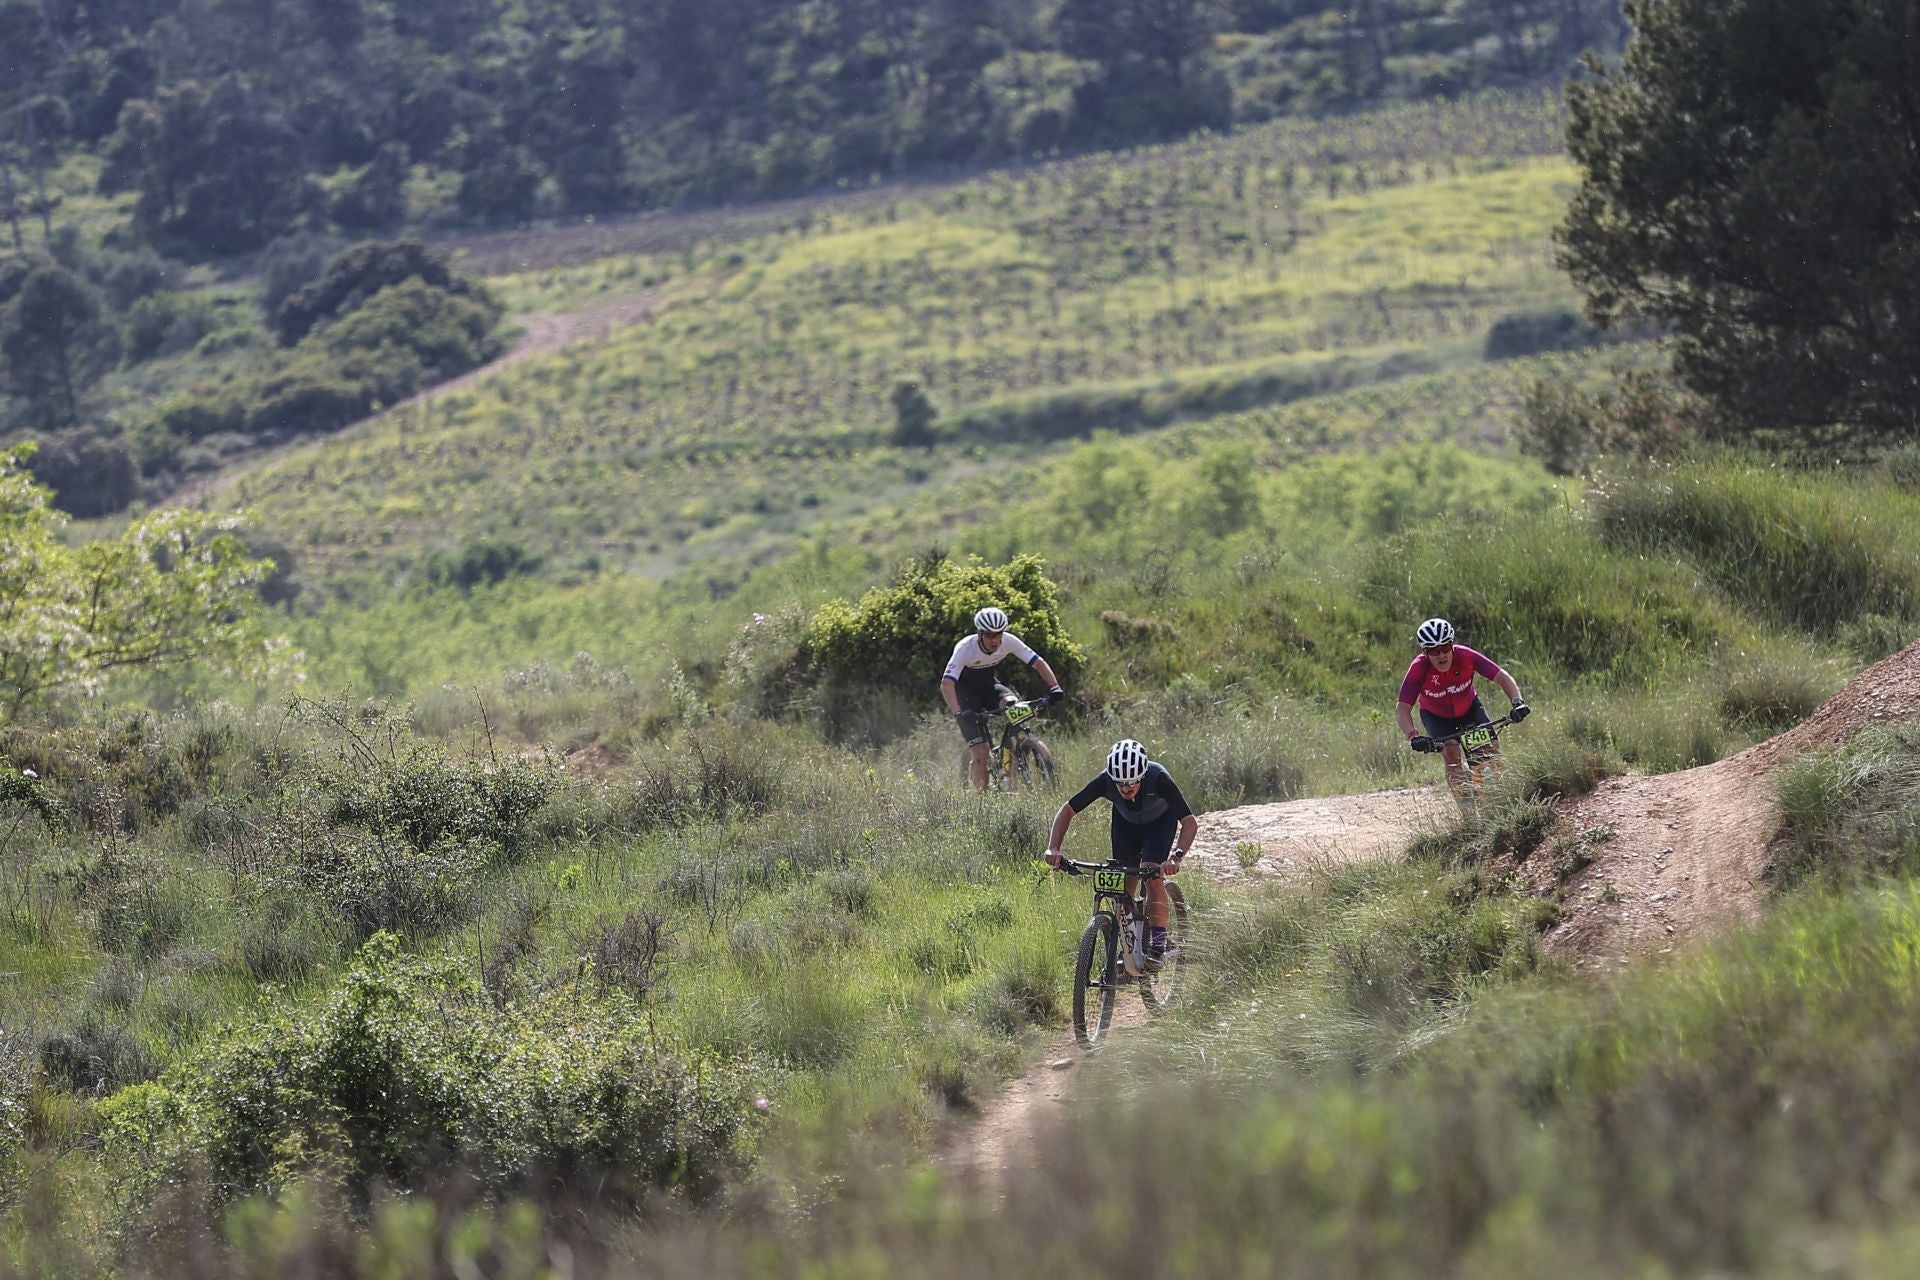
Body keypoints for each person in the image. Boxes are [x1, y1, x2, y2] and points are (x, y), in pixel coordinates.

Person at [1043, 738, 1197, 962]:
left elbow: (1189, 822)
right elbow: (1067, 811)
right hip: (1126, 825)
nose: (1126, 788)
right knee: (1123, 886)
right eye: (1120, 783)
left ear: (1143, 776)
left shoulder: (1159, 778)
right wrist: (1053, 848)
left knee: (1152, 876)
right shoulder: (1104, 781)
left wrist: (1176, 857)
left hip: (1160, 824)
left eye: (1132, 782)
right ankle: (1129, 949)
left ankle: (1158, 945)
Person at [1394, 617, 1531, 807]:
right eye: (1434, 651)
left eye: (1445, 648)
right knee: (1450, 751)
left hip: (1469, 709)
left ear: (1452, 645)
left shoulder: (1466, 656)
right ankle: (1468, 813)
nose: (1441, 655)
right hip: (1437, 717)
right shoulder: (1419, 668)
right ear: (1425, 652)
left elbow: (1503, 678)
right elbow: (1402, 709)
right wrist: (1413, 736)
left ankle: (1505, 802)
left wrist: (1518, 703)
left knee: (1489, 750)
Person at [942, 606, 1065, 791]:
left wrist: (1055, 688)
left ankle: (1012, 759)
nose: (995, 640)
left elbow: (1038, 662)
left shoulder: (1008, 641)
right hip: (966, 697)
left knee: (1015, 708)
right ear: (980, 633)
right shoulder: (965, 648)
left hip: (990, 687)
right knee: (981, 753)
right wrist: (959, 712)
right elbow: (946, 684)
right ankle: (982, 806)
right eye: (990, 635)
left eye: (999, 634)